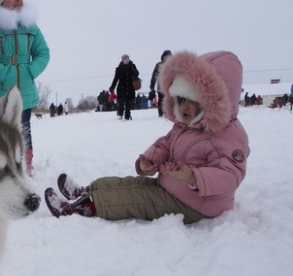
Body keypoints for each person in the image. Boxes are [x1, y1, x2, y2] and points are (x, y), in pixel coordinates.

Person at [44, 51, 250, 225]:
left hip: (196, 203)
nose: (184, 107)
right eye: (181, 99)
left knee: (133, 197)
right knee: (126, 183)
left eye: (193, 100)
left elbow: (231, 174)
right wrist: (151, 159)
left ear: (216, 101)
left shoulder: (227, 134)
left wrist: (194, 177)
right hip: (171, 187)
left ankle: (82, 207)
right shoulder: (186, 125)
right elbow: (167, 143)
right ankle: (86, 191)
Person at [0, 0, 50, 177]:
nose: (18, 1)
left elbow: (43, 52)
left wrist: (31, 70)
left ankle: (25, 166)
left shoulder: (31, 26)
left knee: (23, 128)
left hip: (25, 92)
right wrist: (2, 72)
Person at [109, 54, 139, 120]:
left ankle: (127, 116)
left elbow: (137, 74)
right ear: (122, 60)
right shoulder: (119, 69)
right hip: (121, 88)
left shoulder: (132, 66)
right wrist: (112, 87)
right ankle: (120, 114)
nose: (126, 60)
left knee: (128, 103)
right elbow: (116, 79)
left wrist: (133, 69)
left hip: (130, 88)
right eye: (125, 59)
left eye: (127, 58)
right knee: (121, 103)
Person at [149, 49, 172, 117]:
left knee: (169, 100)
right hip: (161, 85)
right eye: (166, 56)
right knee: (161, 99)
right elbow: (154, 76)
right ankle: (161, 113)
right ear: (163, 57)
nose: (167, 58)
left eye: (169, 56)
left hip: (170, 86)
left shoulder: (172, 65)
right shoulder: (159, 65)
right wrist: (152, 86)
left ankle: (168, 113)